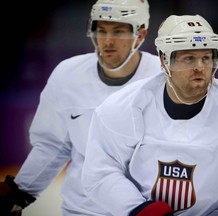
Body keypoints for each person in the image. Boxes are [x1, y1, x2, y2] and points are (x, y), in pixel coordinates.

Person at [81, 14, 218, 216]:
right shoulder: (122, 108)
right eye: (189, 58)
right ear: (164, 61)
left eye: (206, 58)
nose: (199, 67)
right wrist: (137, 209)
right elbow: (99, 171)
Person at [0, 0, 162, 215]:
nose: (108, 41)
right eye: (101, 30)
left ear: (140, 35)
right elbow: (53, 146)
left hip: (146, 208)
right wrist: (20, 192)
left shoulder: (164, 78)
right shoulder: (68, 74)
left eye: (119, 32)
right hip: (82, 210)